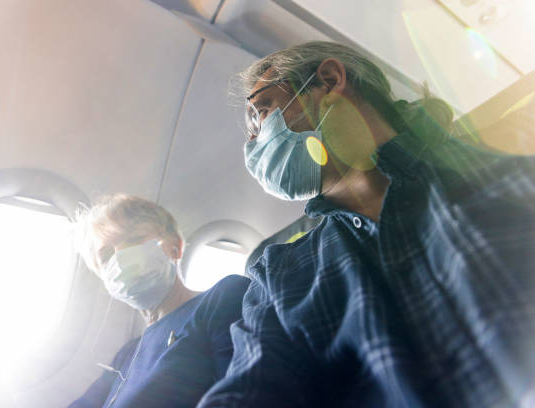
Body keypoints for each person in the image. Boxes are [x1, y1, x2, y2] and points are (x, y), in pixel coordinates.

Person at [198, 41, 535, 407]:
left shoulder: (507, 168)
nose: (252, 140)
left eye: (260, 111)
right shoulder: (279, 279)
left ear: (328, 81)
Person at [68, 194, 250, 408]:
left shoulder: (223, 299)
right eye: (107, 255)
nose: (121, 257)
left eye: (134, 240)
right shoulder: (128, 353)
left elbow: (241, 396)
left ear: (175, 246)